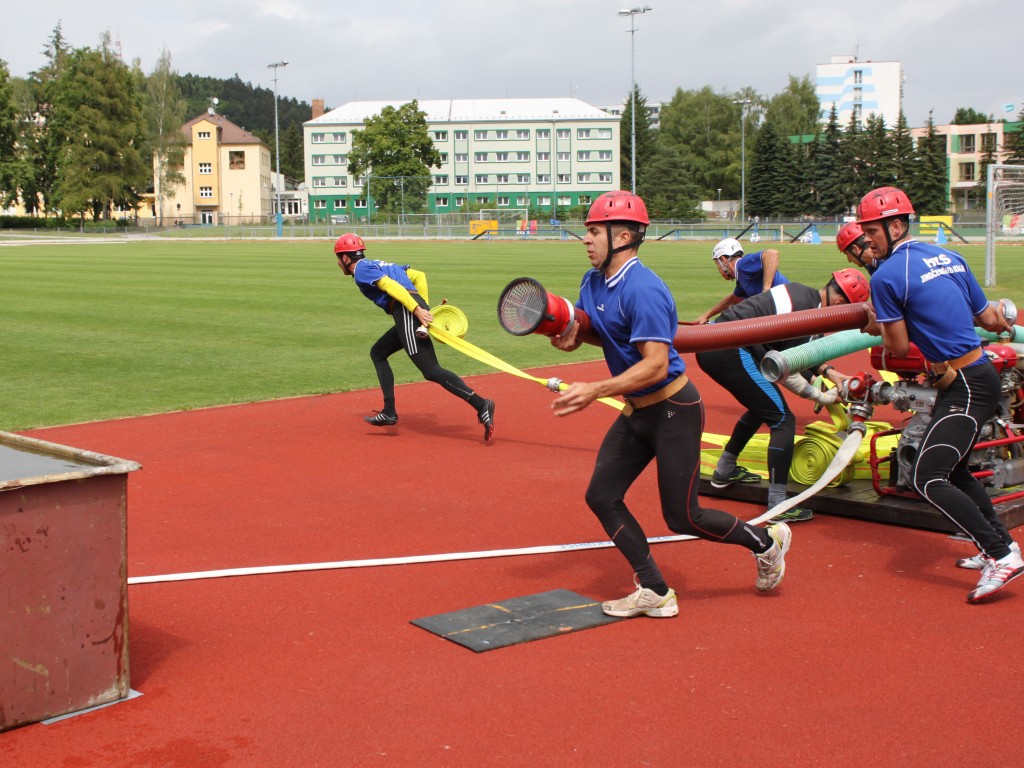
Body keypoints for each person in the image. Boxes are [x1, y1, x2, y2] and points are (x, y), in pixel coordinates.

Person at [549, 190, 792, 619]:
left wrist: (595, 389)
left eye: (592, 231)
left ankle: (766, 542)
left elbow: (656, 365)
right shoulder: (592, 282)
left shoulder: (644, 289)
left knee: (683, 517)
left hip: (673, 408)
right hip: (639, 410)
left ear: (622, 235)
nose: (585, 240)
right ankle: (655, 590)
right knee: (602, 496)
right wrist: (569, 337)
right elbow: (599, 333)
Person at [857, 186, 1022, 602]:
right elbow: (986, 316)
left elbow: (895, 349)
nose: (867, 240)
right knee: (957, 470)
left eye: (872, 231)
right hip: (978, 374)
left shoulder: (888, 275)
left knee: (927, 476)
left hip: (962, 385)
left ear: (896, 226)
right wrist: (1004, 320)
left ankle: (1001, 554)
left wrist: (875, 322)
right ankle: (1000, 545)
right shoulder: (951, 257)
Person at [695, 270, 870, 524]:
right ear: (841, 305)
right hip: (731, 348)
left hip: (720, 346)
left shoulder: (806, 299)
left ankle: (724, 470)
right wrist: (821, 395)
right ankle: (778, 505)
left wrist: (832, 376)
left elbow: (799, 353)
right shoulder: (805, 309)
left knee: (762, 408)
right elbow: (784, 365)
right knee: (783, 419)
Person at [333, 233, 496, 440]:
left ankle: (481, 404)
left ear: (346, 258)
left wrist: (418, 311)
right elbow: (419, 276)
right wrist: (422, 306)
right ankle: (389, 412)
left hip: (406, 310)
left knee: (430, 370)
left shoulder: (361, 270)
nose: (338, 264)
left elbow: (389, 286)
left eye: (338, 259)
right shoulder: (377, 263)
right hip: (410, 309)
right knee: (378, 353)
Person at [694, 238, 789, 324]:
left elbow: (771, 254)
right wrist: (706, 316)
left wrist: (766, 291)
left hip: (787, 306)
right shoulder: (742, 279)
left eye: (717, 264)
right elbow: (732, 300)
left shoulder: (742, 265)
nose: (718, 269)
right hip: (784, 308)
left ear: (723, 260)